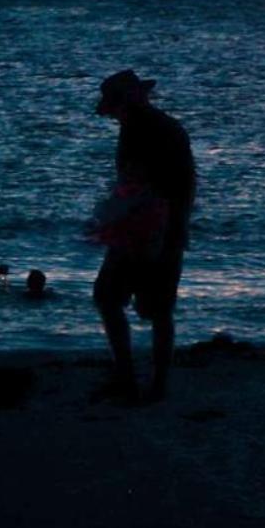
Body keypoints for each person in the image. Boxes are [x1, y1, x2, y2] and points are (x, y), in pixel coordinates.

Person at [91, 69, 195, 403]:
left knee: (111, 297)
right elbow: (182, 186)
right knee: (157, 308)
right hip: (160, 228)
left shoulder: (142, 132)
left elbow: (145, 183)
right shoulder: (164, 128)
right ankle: (155, 384)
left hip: (145, 231)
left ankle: (129, 377)